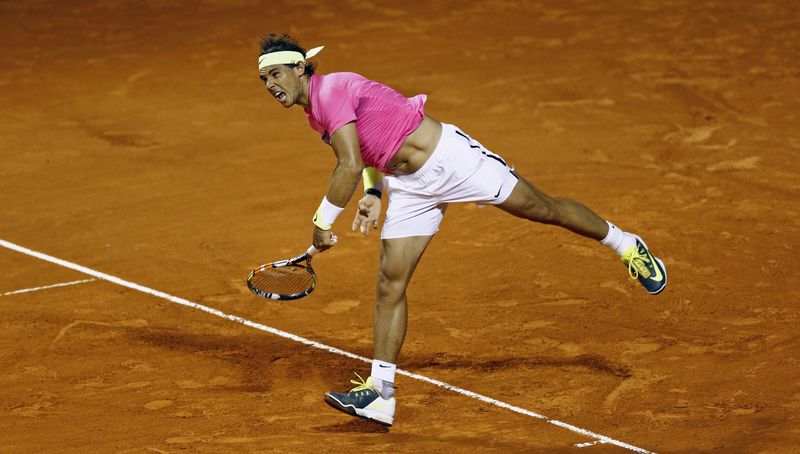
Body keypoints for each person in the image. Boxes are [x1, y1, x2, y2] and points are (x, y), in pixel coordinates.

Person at [256, 34, 667, 427]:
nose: (269, 85)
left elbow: (345, 163)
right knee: (389, 282)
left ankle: (625, 243)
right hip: (411, 189)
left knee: (543, 208)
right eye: (263, 80)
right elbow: (361, 154)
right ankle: (380, 394)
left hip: (450, 161)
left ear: (299, 67)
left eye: (275, 74)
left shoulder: (333, 89)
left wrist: (321, 223)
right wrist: (374, 190)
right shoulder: (316, 114)